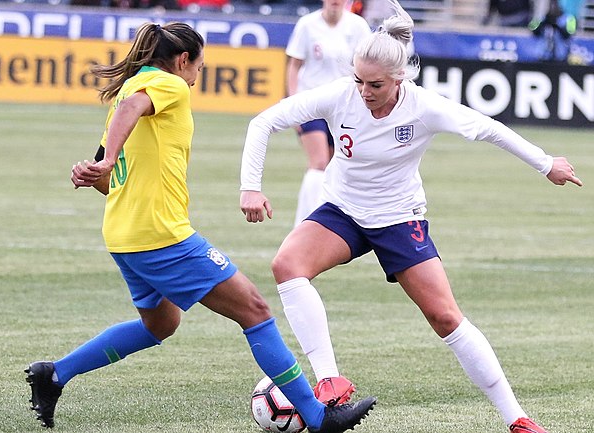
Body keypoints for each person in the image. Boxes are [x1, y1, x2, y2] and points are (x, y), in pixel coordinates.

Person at [239, 1, 582, 432]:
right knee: (286, 265)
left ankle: (518, 418)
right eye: (358, 80)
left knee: (445, 318)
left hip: (400, 218)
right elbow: (263, 121)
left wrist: (545, 163)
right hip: (343, 212)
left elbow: (490, 129)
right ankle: (330, 380)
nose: (364, 91)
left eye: (375, 85)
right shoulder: (340, 96)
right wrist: (250, 186)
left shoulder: (423, 106)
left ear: (399, 78)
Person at [24, 22, 376, 432]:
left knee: (161, 324)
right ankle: (318, 418)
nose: (196, 77)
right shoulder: (166, 85)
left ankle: (55, 374)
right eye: (199, 67)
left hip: (125, 235)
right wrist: (105, 162)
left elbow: (110, 177)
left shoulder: (131, 88)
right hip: (163, 237)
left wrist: (95, 169)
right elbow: (129, 114)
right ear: (183, 60)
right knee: (256, 311)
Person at [286, 0, 371, 227]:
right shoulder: (307, 24)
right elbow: (294, 64)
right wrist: (294, 101)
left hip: (344, 106)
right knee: (319, 161)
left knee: (335, 165)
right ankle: (303, 224)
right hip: (311, 102)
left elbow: (365, 66)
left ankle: (327, 222)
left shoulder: (358, 26)